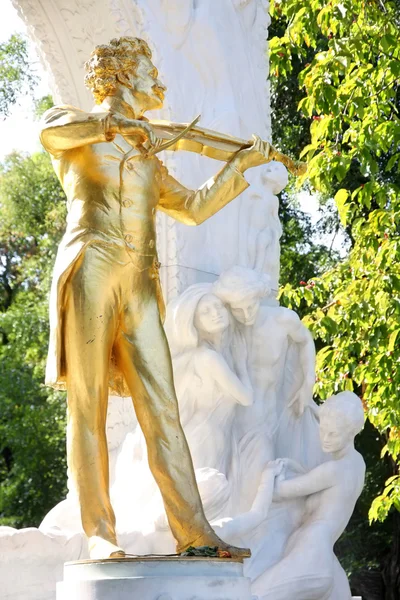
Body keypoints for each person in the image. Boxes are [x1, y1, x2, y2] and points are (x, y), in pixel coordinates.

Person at [39, 36, 271, 559]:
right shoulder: (72, 124)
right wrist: (112, 125)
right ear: (120, 77)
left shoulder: (148, 156)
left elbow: (190, 206)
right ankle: (99, 533)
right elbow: (50, 132)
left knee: (164, 409)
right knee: (89, 404)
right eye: (148, 71)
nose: (156, 81)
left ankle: (195, 533)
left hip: (141, 283)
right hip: (90, 266)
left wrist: (238, 167)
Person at [252, 392, 366, 600]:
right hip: (327, 561)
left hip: (309, 556)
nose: (325, 439)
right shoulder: (358, 463)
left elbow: (278, 493)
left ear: (351, 433)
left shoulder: (332, 470)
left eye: (333, 434)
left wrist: (268, 473)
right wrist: (312, 407)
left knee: (250, 596)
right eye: (322, 430)